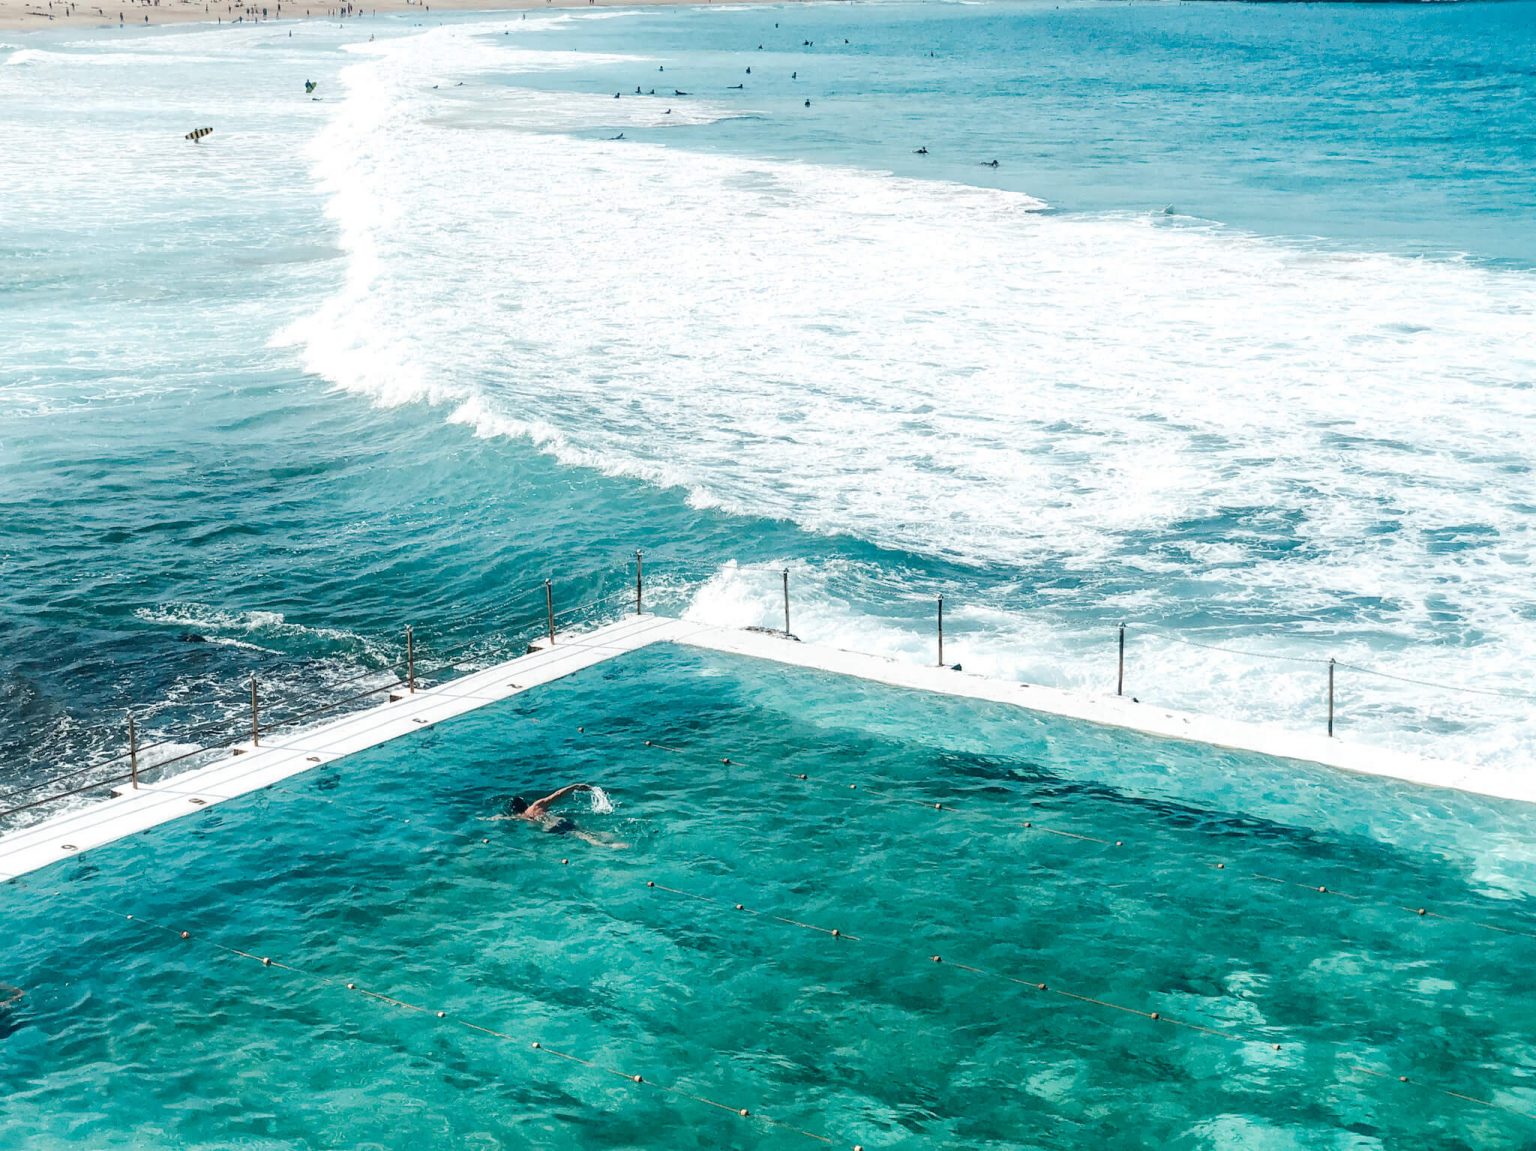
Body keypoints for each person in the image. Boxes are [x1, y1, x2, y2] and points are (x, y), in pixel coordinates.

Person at [506, 783, 625, 848]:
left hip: (551, 828)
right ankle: (608, 838)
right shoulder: (536, 806)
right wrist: (575, 786)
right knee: (583, 830)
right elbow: (557, 794)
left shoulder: (520, 817)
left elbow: (501, 818)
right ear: (524, 803)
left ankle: (608, 845)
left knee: (580, 835)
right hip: (561, 821)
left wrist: (489, 819)